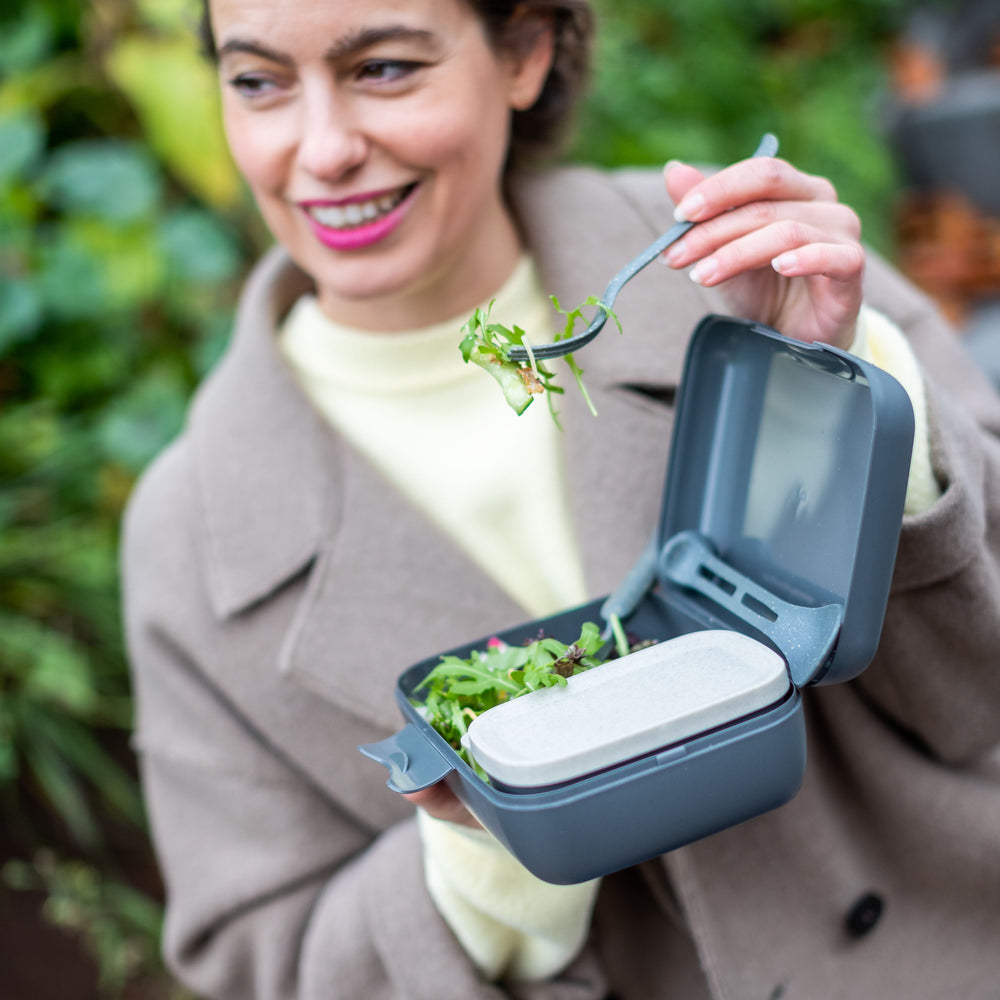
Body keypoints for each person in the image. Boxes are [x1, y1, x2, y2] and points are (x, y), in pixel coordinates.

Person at [120, 0, 1000, 997]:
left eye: (384, 69)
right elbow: (264, 960)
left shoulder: (743, 275)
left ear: (525, 52)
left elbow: (983, 691)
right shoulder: (191, 535)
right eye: (258, 82)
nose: (321, 149)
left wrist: (834, 390)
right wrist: (484, 844)